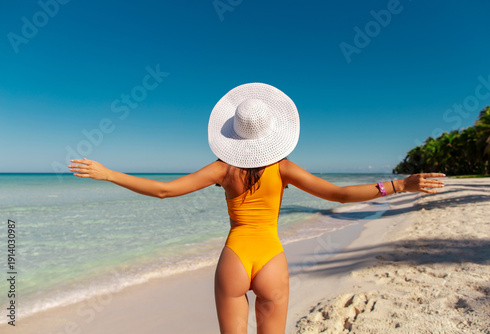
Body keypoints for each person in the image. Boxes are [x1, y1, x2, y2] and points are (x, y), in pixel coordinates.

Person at [68, 83, 445, 333]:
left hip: (234, 257)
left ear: (232, 133)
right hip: (271, 259)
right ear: (272, 134)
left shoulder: (221, 169)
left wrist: (110, 173)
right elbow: (339, 195)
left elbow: (165, 191)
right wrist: (397, 185)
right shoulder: (283, 168)